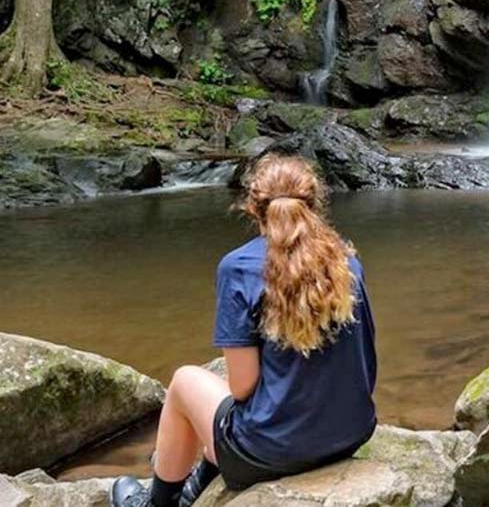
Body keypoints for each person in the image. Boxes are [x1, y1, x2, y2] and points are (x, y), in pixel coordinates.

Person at [111, 155, 377, 507]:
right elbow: (365, 364)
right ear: (314, 204)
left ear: (254, 207)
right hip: (351, 432)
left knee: (185, 382)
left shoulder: (239, 268)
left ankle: (155, 504)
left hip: (271, 455)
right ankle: (197, 486)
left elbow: (242, 387)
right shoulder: (346, 261)